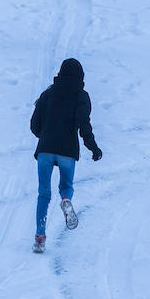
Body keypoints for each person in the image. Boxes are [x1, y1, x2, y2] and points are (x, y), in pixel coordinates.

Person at [29, 58, 103, 253]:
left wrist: (45, 136)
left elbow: (34, 125)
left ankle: (39, 237)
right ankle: (65, 199)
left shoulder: (48, 94)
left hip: (45, 150)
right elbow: (84, 125)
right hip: (67, 151)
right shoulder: (81, 96)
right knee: (66, 186)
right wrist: (93, 148)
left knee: (43, 193)